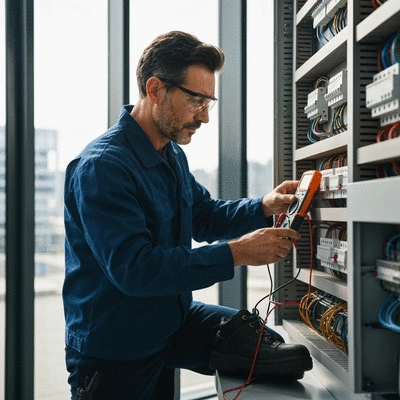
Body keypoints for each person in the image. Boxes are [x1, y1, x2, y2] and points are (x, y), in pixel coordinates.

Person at [63, 30, 312, 400]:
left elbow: (204, 215)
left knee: (271, 348)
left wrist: (264, 206)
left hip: (169, 320)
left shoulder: (170, 153)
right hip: (116, 345)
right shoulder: (103, 168)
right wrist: (239, 253)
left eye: (208, 102)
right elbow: (136, 270)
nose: (205, 117)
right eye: (196, 101)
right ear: (154, 89)